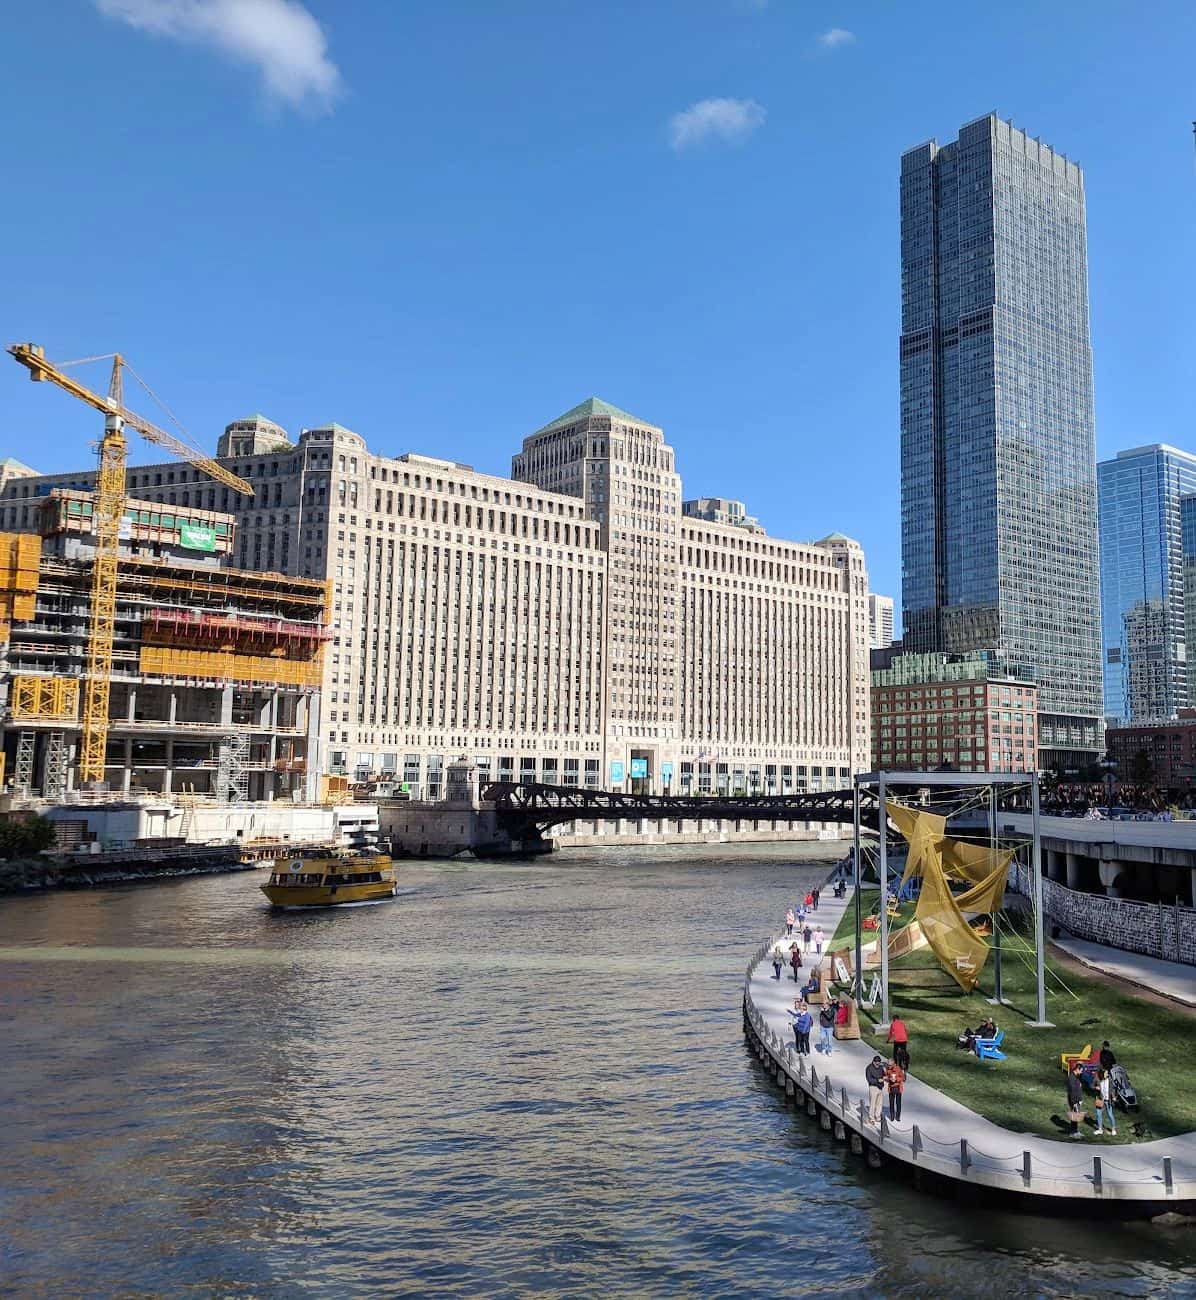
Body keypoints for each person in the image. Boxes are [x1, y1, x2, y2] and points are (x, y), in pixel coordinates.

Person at [1095, 1069, 1118, 1137]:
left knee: (1110, 1114)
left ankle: (1113, 1129)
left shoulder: (1110, 1080)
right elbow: (1091, 1085)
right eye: (1106, 1073)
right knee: (1098, 1114)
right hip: (1100, 1100)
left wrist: (1113, 1096)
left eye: (1107, 1073)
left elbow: (1114, 1089)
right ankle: (1100, 1129)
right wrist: (1096, 1087)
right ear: (1102, 1074)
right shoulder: (1098, 1079)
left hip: (1108, 1100)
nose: (1107, 1074)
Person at [1066, 1062, 1085, 1139]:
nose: (1081, 1072)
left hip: (1077, 1100)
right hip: (1074, 1100)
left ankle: (1076, 1131)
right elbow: (1073, 1091)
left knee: (1076, 1116)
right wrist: (1074, 1102)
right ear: (1077, 1069)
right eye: (1081, 1071)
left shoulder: (1076, 1077)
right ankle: (1072, 1132)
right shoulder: (1072, 1078)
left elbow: (1078, 1088)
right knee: (1074, 1116)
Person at [866, 1055, 887, 1124]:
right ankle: (871, 1118)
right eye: (876, 1063)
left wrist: (885, 1072)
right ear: (873, 1062)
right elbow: (869, 1080)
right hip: (873, 1087)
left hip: (880, 1087)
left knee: (879, 1103)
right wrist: (878, 1080)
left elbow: (884, 1076)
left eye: (879, 1062)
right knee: (872, 1103)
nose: (878, 1064)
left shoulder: (881, 1067)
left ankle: (877, 1116)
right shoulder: (869, 1068)